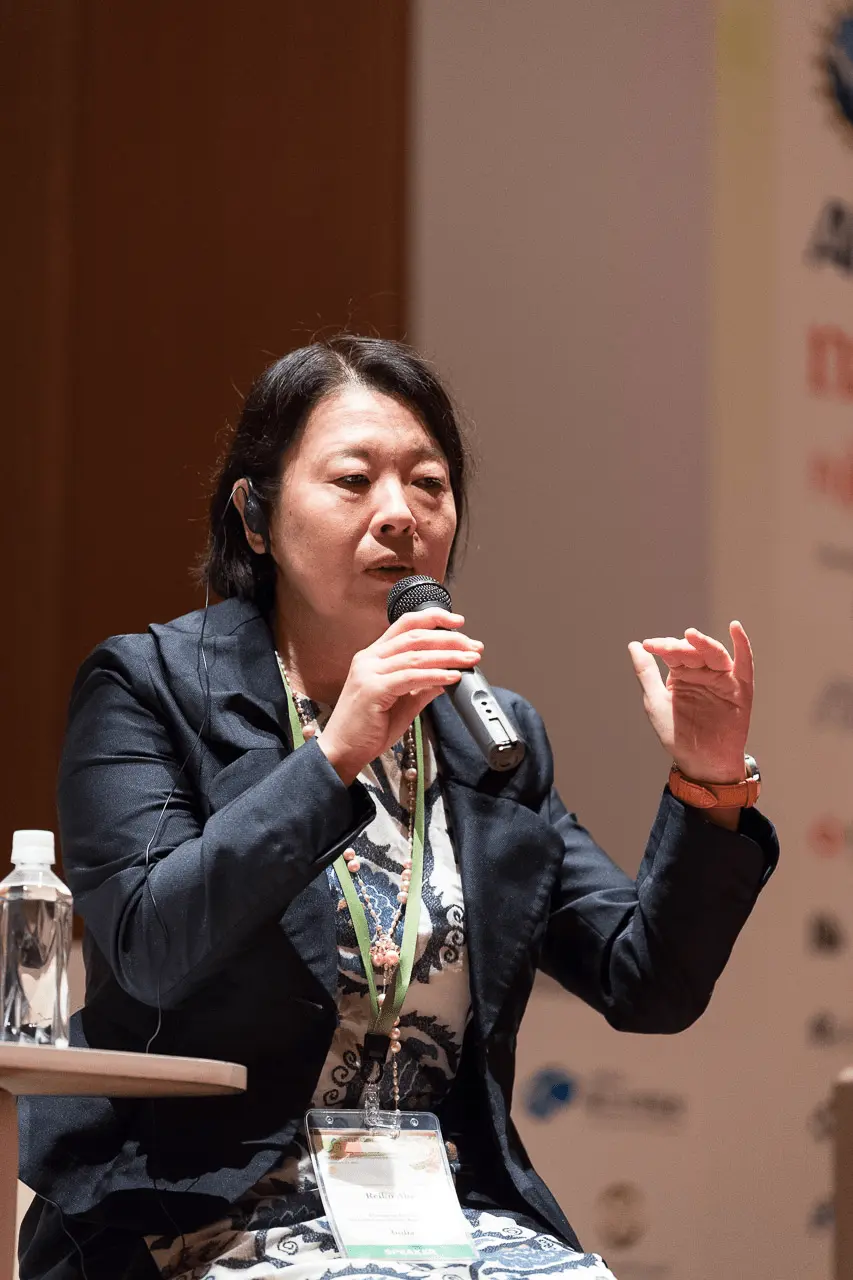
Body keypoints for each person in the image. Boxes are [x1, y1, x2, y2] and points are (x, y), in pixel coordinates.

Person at [17, 336, 778, 1280]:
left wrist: (709, 781)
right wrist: (333, 755)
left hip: (440, 1221)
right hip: (197, 1212)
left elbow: (645, 984)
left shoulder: (487, 737)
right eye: (353, 480)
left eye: (428, 484)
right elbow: (151, 947)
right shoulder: (152, 689)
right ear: (255, 517)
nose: (399, 514)